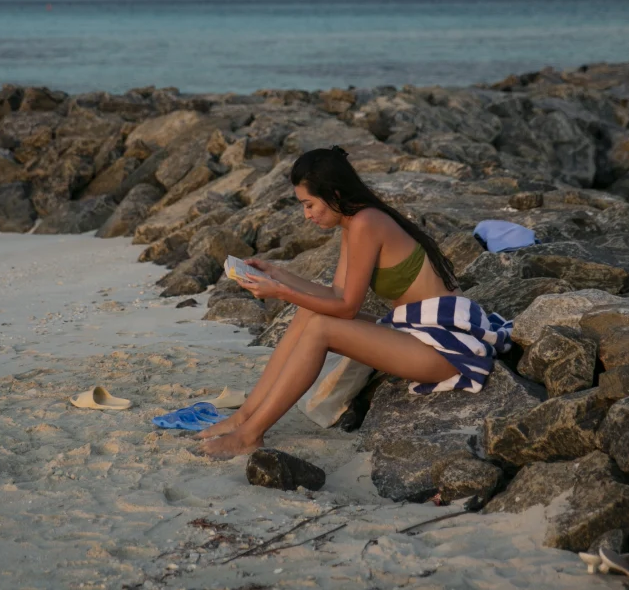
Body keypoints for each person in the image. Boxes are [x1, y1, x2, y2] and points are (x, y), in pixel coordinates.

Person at [195, 145, 511, 459]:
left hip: (444, 349)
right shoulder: (355, 222)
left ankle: (249, 436)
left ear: (333, 193)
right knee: (309, 313)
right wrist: (279, 274)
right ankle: (244, 416)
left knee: (321, 329)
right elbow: (334, 295)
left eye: (309, 205)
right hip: (417, 333)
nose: (306, 215)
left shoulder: (365, 223)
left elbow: (347, 308)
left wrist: (280, 293)